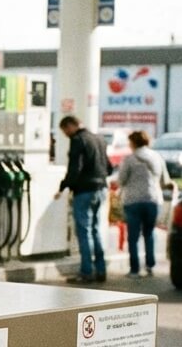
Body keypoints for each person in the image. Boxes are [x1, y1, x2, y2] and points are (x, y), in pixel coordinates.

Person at [55, 115, 110, 283]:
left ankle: (86, 271)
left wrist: (63, 186)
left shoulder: (78, 140)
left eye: (65, 130)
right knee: (95, 230)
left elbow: (74, 168)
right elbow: (109, 166)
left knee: (84, 232)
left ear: (70, 126)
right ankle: (101, 270)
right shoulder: (98, 139)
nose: (66, 134)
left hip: (84, 191)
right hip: (100, 189)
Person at [114, 130, 174, 278]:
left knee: (133, 236)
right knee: (149, 233)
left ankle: (134, 269)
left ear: (133, 143)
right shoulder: (157, 157)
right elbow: (165, 180)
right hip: (153, 199)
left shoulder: (129, 159)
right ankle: (150, 265)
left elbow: (121, 180)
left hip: (133, 200)